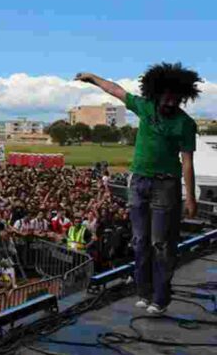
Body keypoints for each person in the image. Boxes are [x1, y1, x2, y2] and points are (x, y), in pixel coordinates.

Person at [76, 63, 200, 314]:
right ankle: (143, 293)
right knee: (140, 240)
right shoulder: (145, 106)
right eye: (166, 97)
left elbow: (187, 162)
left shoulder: (185, 124)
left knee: (161, 243)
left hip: (166, 184)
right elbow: (116, 90)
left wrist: (190, 197)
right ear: (156, 93)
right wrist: (92, 78)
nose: (170, 102)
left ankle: (161, 298)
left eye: (175, 99)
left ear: (182, 97)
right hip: (139, 181)